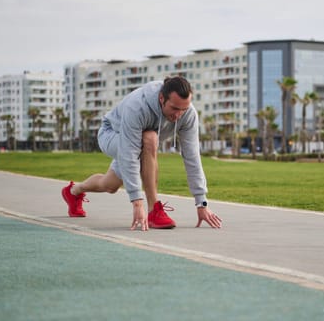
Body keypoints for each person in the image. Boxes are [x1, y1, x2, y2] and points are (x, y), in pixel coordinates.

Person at [61, 76, 222, 231]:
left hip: (138, 145)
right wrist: (137, 203)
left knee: (109, 185)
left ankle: (73, 191)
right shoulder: (137, 106)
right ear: (161, 98)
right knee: (150, 138)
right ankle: (154, 211)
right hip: (111, 134)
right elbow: (129, 154)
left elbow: (192, 157)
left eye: (183, 109)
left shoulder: (188, 115)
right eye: (174, 108)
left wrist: (202, 204)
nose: (178, 114)